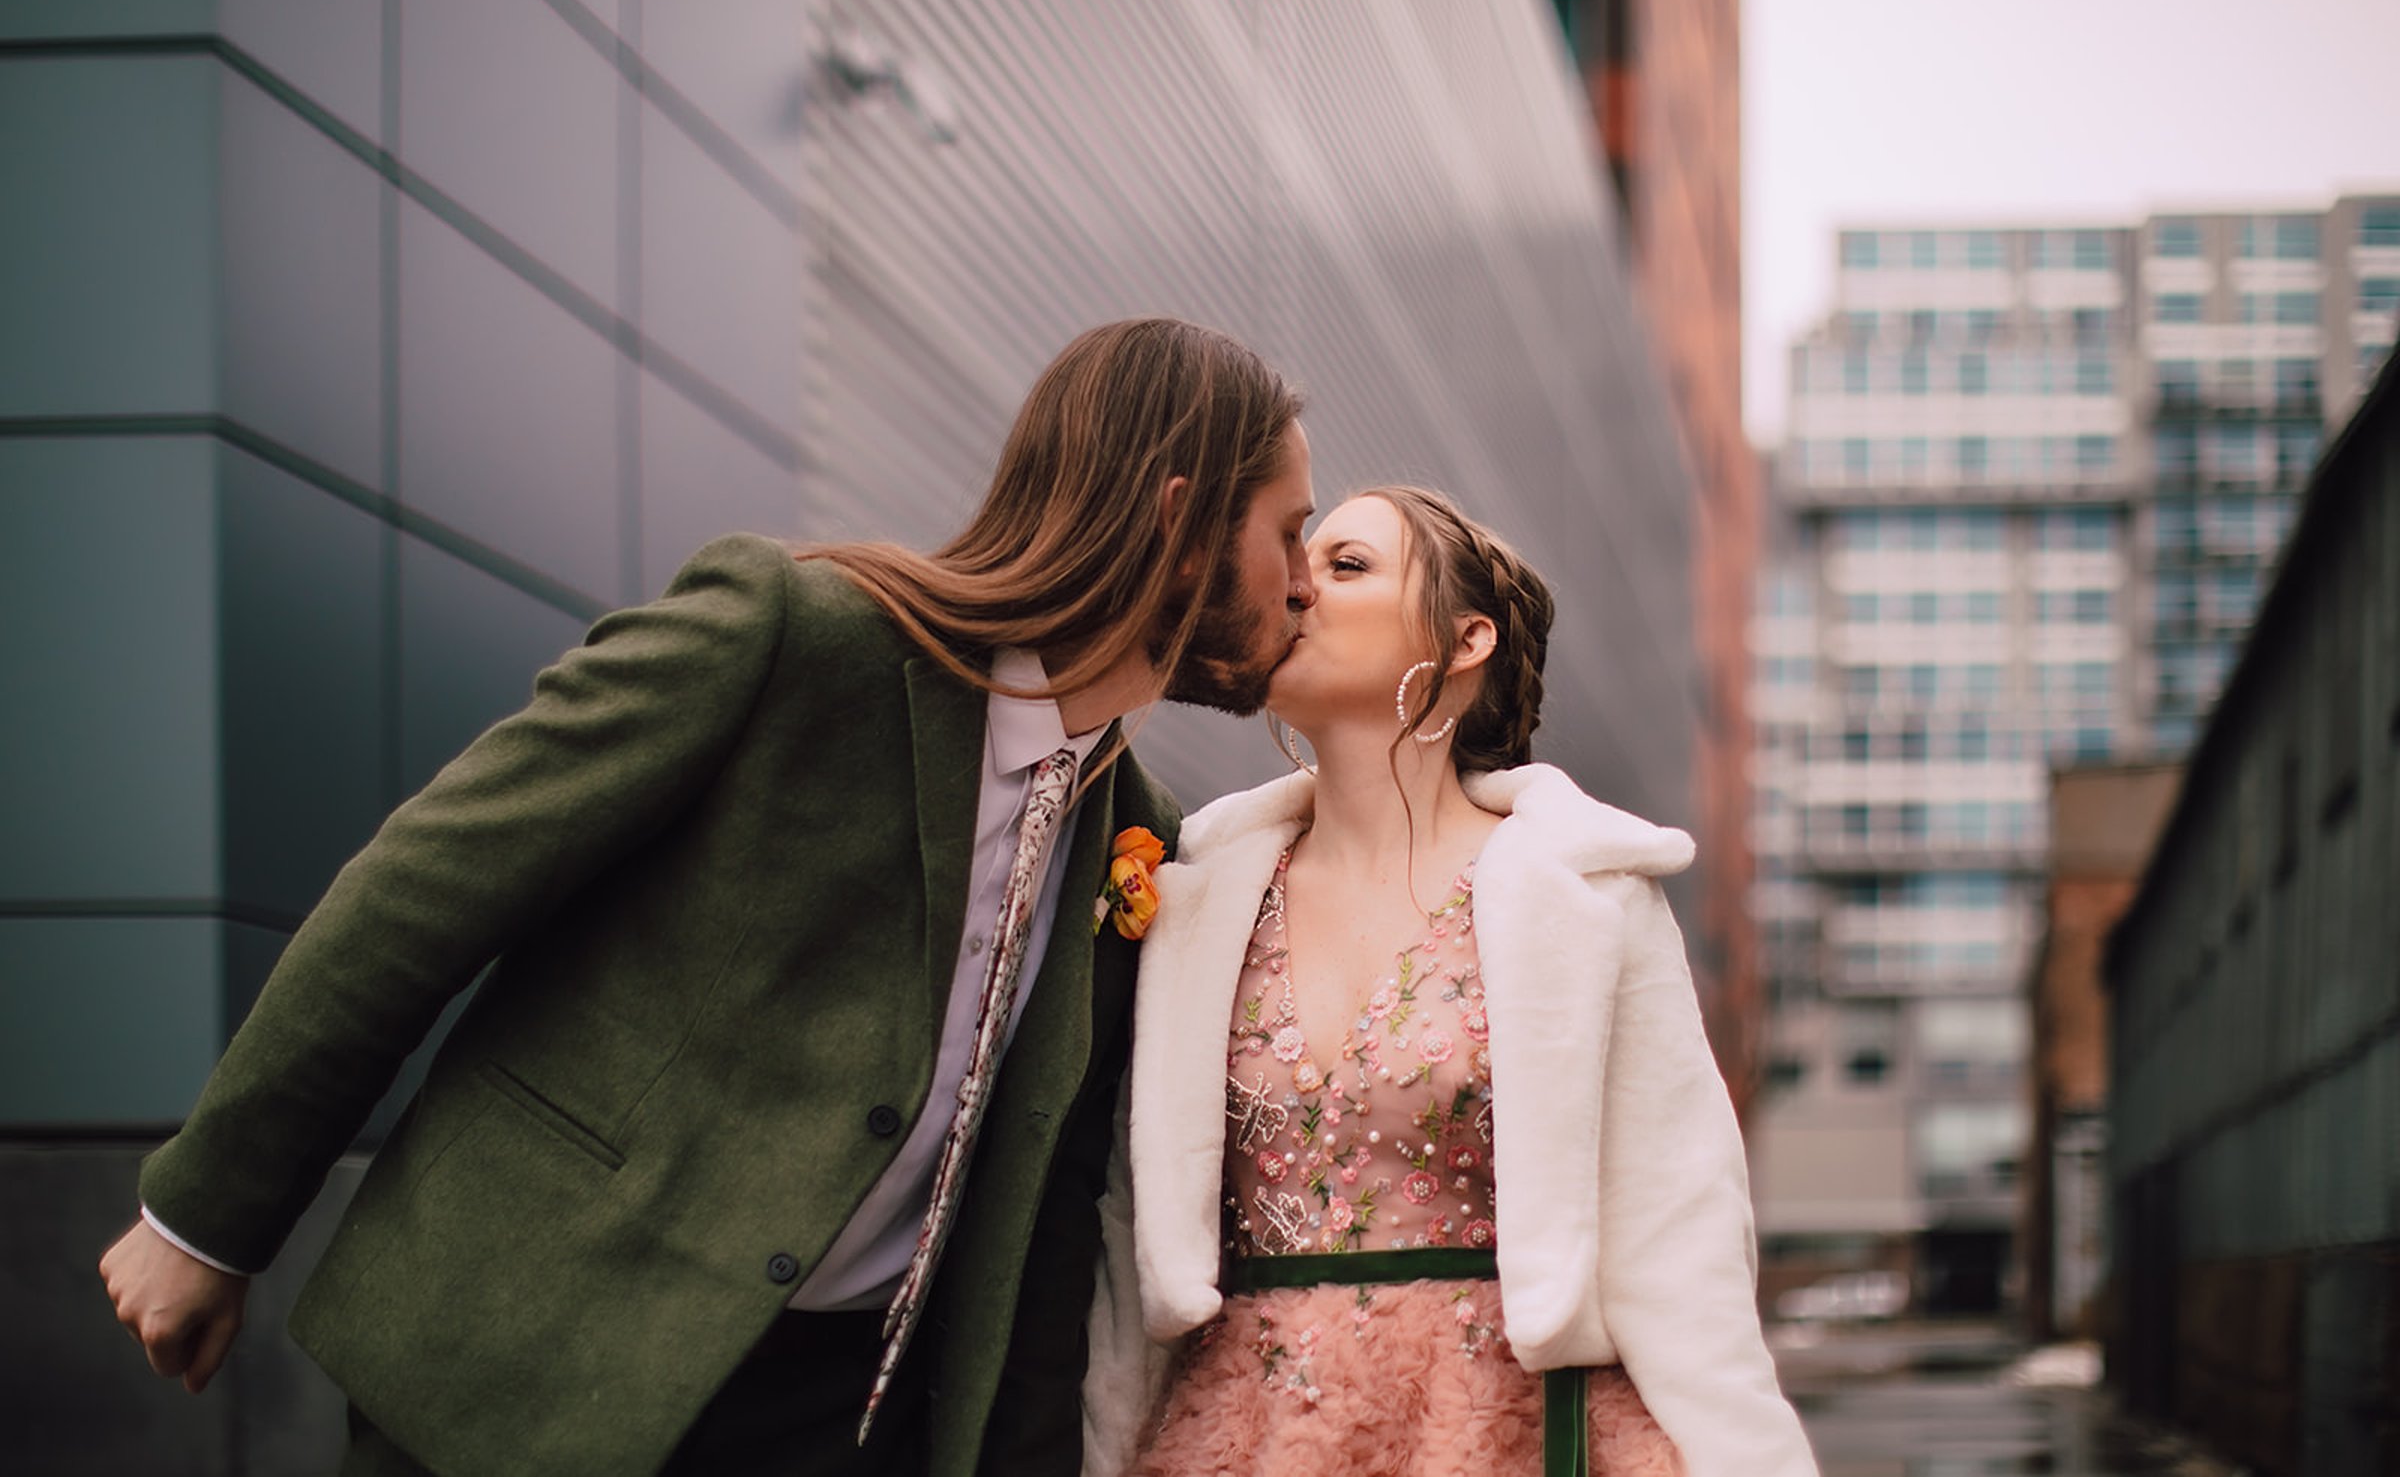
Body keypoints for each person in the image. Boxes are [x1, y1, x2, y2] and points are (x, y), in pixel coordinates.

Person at [96, 317, 1320, 1477]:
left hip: (835, 1421)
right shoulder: (794, 632)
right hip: (544, 1346)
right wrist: (209, 1218)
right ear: (1177, 520)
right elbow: (424, 893)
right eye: (1288, 531)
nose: (1306, 583)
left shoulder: (1139, 832)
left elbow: (1043, 1213)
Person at [1081, 486, 1817, 1476]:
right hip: (1244, 1434)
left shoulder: (1581, 895)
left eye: (1348, 565)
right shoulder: (1201, 890)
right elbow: (1127, 1237)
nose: (1298, 586)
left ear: (1466, 640)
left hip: (1498, 1428)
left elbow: (1680, 1226)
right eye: (1304, 556)